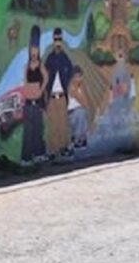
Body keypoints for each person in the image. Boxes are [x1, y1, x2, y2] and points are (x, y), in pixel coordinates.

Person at [44, 28, 74, 157]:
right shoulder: (50, 58)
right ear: (53, 41)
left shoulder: (64, 57)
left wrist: (66, 82)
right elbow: (44, 74)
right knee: (52, 125)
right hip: (51, 96)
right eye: (56, 39)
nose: (58, 42)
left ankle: (63, 148)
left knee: (62, 123)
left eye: (60, 39)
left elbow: (71, 70)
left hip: (62, 95)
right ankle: (52, 150)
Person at [21, 26, 48, 164]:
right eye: (32, 50)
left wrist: (41, 90)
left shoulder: (40, 65)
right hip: (28, 101)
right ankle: (26, 157)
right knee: (28, 131)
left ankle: (38, 154)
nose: (34, 52)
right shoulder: (26, 66)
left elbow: (46, 77)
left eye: (36, 50)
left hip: (37, 100)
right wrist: (28, 91)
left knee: (38, 129)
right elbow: (25, 80)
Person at [67, 66, 91, 151]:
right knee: (81, 112)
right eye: (77, 76)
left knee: (83, 112)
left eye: (80, 76)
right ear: (73, 77)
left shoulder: (80, 87)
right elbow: (83, 102)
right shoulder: (71, 87)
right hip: (71, 114)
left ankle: (82, 139)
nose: (79, 79)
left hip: (79, 112)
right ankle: (77, 139)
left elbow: (86, 103)